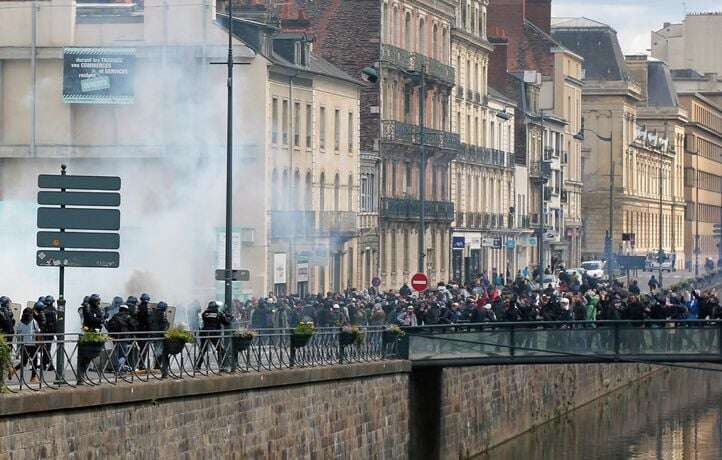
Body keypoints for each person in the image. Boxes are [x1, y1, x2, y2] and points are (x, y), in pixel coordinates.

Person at [195, 301, 232, 370]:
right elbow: (226, 323)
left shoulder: (205, 313)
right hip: (214, 334)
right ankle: (222, 366)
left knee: (203, 350)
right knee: (221, 350)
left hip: (204, 333)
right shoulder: (219, 314)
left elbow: (208, 319)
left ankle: (197, 366)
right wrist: (229, 317)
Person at [106, 304, 137, 372]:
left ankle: (118, 367)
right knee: (123, 354)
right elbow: (133, 327)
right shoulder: (127, 317)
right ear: (126, 310)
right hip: (123, 338)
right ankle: (119, 368)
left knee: (117, 353)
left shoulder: (114, 316)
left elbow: (109, 326)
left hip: (115, 337)